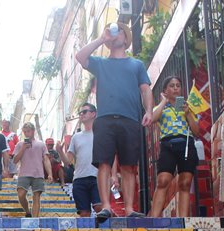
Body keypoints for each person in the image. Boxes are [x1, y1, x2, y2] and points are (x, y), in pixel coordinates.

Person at [75, 21, 152, 220]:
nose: (115, 34)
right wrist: (102, 39)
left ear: (126, 38)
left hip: (130, 119)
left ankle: (128, 209)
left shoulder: (137, 64)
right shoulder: (101, 63)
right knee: (104, 164)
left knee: (128, 166)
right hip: (105, 119)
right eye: (113, 32)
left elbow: (145, 89)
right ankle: (106, 207)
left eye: (119, 32)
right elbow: (80, 57)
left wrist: (149, 110)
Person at [148, 76, 201, 217]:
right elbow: (152, 119)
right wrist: (163, 102)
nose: (175, 88)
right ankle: (154, 219)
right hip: (167, 145)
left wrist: (188, 113)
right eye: (172, 85)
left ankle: (183, 220)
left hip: (186, 144)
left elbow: (197, 132)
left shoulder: (187, 107)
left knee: (185, 182)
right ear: (165, 90)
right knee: (163, 180)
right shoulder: (160, 108)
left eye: (178, 85)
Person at [63, 102, 102, 216]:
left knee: (100, 207)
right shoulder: (76, 137)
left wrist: (113, 175)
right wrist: (60, 151)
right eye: (80, 113)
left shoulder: (101, 133)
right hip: (79, 179)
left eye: (84, 112)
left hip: (97, 177)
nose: (81, 114)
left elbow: (111, 155)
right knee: (84, 214)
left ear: (93, 114)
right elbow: (68, 162)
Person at [12, 122, 52, 217]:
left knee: (36, 197)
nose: (26, 133)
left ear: (33, 131)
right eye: (24, 132)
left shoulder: (41, 144)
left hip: (38, 174)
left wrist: (50, 174)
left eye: (28, 131)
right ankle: (27, 211)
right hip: (23, 173)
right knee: (21, 194)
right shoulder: (19, 144)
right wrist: (23, 148)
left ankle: (35, 220)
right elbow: (15, 160)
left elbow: (46, 159)